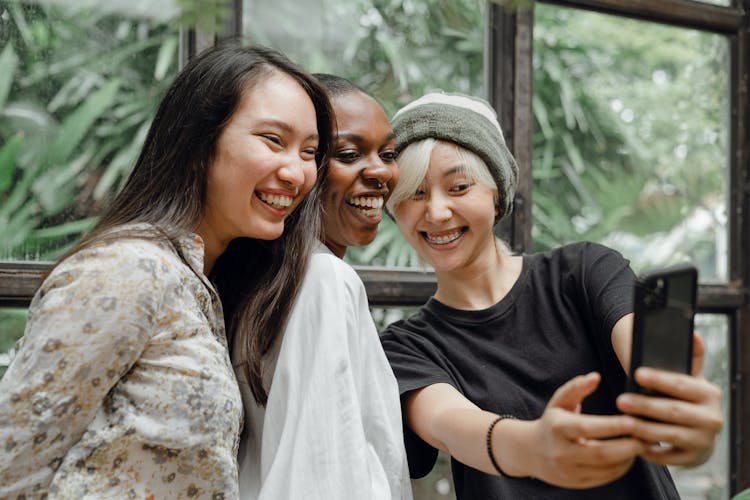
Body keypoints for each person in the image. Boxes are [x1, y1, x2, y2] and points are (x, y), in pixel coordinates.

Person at [0, 42, 333, 498]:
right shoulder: (128, 270)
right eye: (273, 140)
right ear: (199, 143)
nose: (297, 173)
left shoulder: (204, 282)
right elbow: (12, 461)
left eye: (309, 151)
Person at [379, 91, 723, 499]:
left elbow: (644, 357)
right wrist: (532, 446)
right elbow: (450, 423)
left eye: (458, 187)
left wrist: (682, 418)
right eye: (414, 193)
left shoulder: (583, 272)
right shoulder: (405, 348)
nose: (436, 212)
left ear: (496, 193)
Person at [234, 74, 412, 499]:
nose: (381, 172)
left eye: (388, 153)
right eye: (350, 153)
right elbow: (322, 476)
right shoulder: (325, 281)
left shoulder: (274, 281)